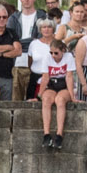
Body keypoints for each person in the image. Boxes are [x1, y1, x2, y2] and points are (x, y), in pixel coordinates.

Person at [30, 16, 73, 149]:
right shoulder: (48, 57)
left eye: (56, 53)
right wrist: (39, 95)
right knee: (46, 100)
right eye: (51, 53)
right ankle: (46, 134)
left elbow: (69, 77)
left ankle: (59, 134)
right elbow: (45, 77)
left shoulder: (68, 57)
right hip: (52, 83)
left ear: (63, 51)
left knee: (60, 100)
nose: (53, 56)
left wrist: (73, 96)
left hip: (63, 83)